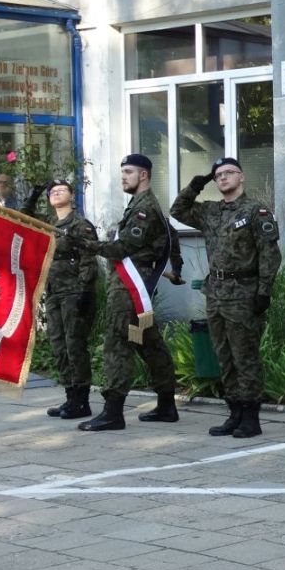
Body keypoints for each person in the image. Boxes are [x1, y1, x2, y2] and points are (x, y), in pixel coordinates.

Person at [172, 157, 281, 439]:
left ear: (241, 177)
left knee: (245, 357)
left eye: (229, 172)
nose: (222, 177)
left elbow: (270, 254)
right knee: (224, 356)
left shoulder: (256, 211)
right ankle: (234, 413)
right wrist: (195, 186)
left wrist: (264, 291)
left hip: (244, 293)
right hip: (216, 293)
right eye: (218, 174)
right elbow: (177, 210)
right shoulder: (210, 210)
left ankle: (251, 418)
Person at [72, 154, 179, 432]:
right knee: (147, 341)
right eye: (122, 172)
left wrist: (88, 244)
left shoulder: (144, 208)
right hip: (135, 287)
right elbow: (171, 233)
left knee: (118, 343)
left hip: (129, 288)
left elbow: (123, 248)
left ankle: (113, 412)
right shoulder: (141, 205)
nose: (123, 177)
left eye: (129, 172)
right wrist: (176, 265)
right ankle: (167, 404)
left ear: (144, 175)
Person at [22, 180, 99, 420]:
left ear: (72, 196)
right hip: (54, 291)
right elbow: (24, 218)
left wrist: (85, 288)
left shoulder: (80, 225)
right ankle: (70, 396)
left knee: (74, 345)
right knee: (58, 344)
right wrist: (33, 194)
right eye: (51, 192)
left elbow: (89, 257)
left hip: (74, 292)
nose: (56, 193)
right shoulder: (49, 223)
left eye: (61, 190)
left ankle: (82, 400)